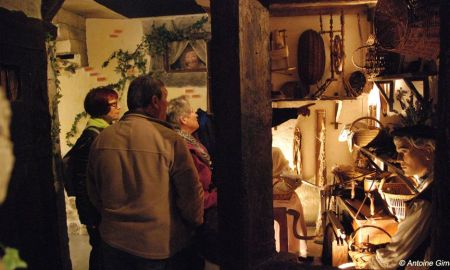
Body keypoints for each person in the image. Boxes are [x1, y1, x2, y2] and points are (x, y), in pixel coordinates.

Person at [87, 75, 204, 270]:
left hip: (113, 243)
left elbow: (94, 192)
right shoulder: (170, 140)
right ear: (155, 102)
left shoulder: (102, 139)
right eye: (165, 99)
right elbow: (190, 195)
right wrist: (194, 224)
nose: (166, 106)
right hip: (156, 246)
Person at [364, 125, 435, 269]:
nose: (398, 159)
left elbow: (392, 256)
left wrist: (369, 266)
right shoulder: (431, 185)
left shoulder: (426, 201)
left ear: (427, 151)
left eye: (403, 151)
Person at [67, 86, 121, 270]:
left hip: (99, 208)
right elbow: (82, 180)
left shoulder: (102, 132)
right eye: (113, 105)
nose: (118, 108)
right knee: (100, 252)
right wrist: (91, 217)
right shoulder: (92, 137)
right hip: (95, 211)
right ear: (100, 108)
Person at [167, 95, 218, 267]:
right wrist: (216, 197)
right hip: (192, 218)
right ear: (183, 119)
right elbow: (191, 189)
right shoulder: (182, 147)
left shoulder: (192, 140)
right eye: (191, 112)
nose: (196, 114)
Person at [272, 147, 308, 259]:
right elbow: (290, 185)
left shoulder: (280, 176)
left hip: (282, 205)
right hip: (284, 208)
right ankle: (290, 250)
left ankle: (287, 251)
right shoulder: (276, 180)